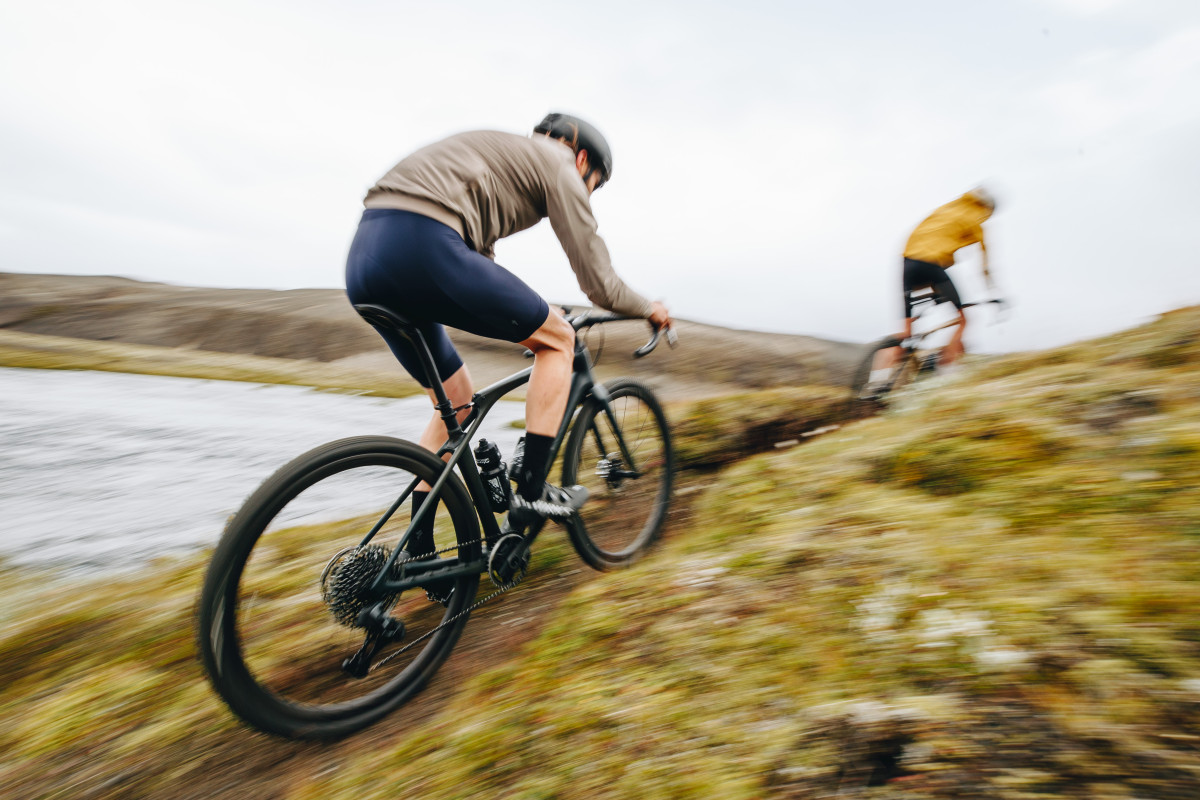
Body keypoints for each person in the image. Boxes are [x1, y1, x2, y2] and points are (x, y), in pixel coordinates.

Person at [344, 113, 672, 569]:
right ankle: (532, 489)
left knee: (456, 402)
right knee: (557, 341)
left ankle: (418, 543)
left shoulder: (499, 153)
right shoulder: (559, 164)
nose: (586, 192)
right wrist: (647, 307)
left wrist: (533, 312)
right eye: (592, 186)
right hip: (425, 243)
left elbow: (478, 259)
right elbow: (598, 284)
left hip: (367, 257)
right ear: (582, 159)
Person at [874, 188, 998, 383]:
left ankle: (877, 382)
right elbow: (983, 263)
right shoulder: (975, 219)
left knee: (905, 332)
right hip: (931, 266)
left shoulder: (946, 209)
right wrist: (991, 288)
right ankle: (946, 375)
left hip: (907, 264)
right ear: (986, 209)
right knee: (964, 320)